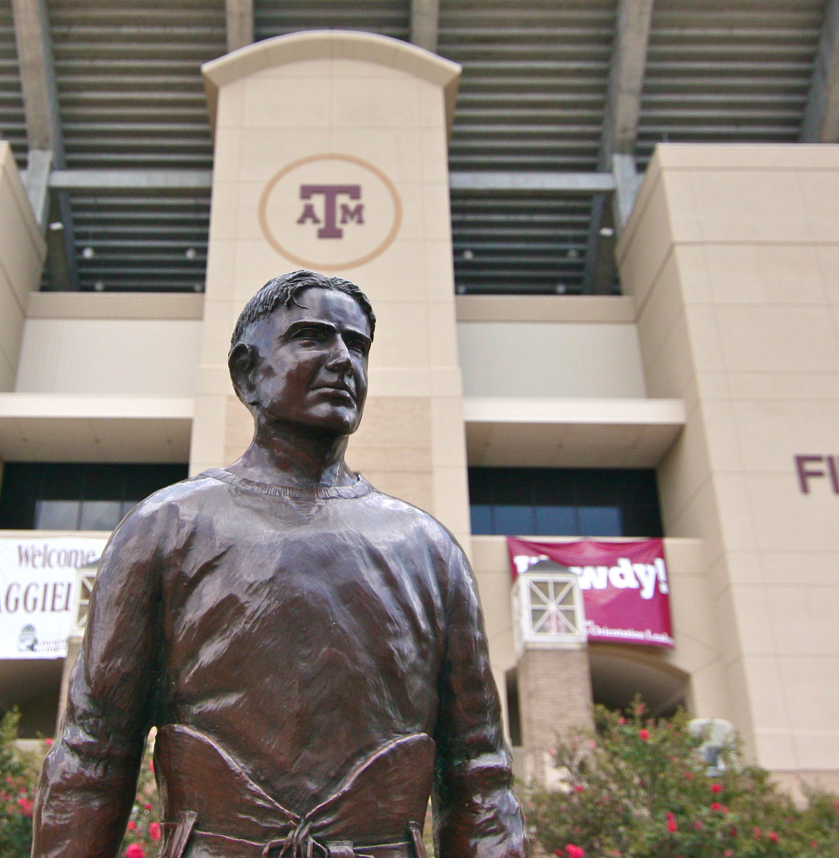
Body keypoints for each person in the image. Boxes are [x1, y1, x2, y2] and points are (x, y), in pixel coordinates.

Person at [32, 270, 524, 858]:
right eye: (312, 338)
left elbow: (480, 775)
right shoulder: (165, 528)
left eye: (357, 345)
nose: (342, 360)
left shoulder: (429, 550)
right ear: (247, 373)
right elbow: (93, 754)